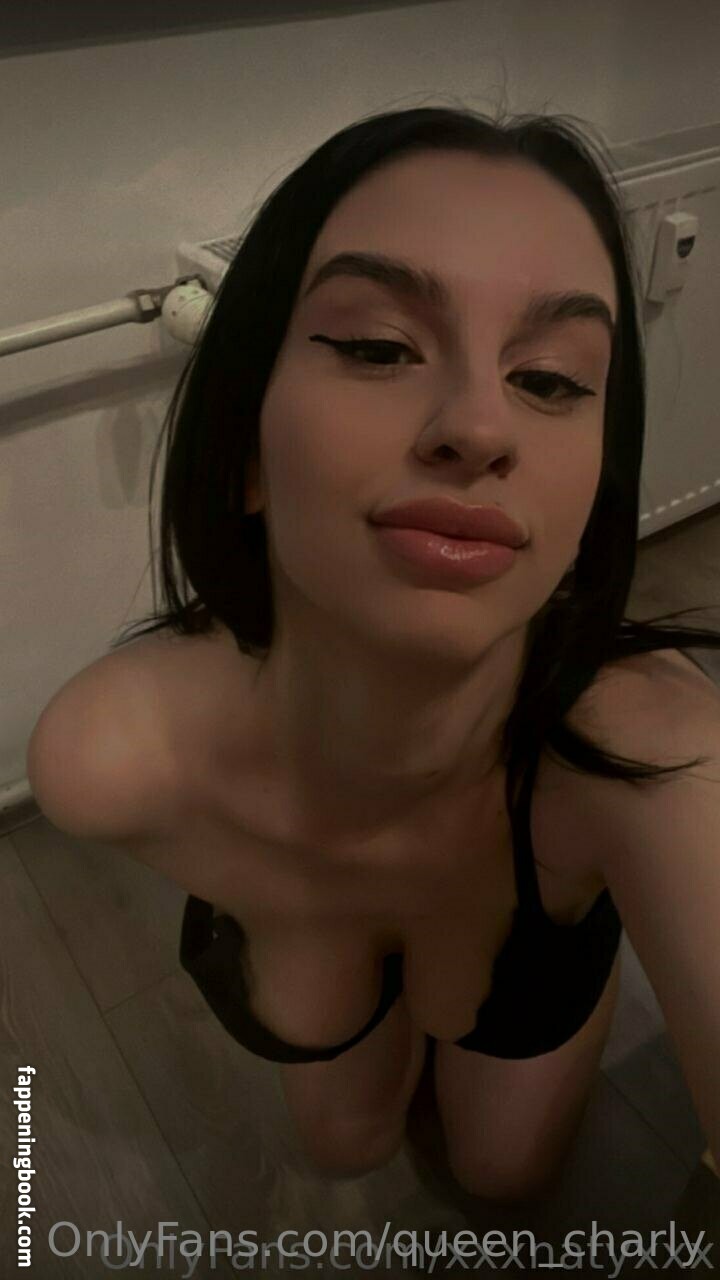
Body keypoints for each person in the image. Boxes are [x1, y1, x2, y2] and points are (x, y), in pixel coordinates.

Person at [27, 104, 720, 1206]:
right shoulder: (112, 760)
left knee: (500, 1171)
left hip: (535, 919)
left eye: (550, 379)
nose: (480, 428)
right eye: (379, 347)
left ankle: (570, 955)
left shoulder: (663, 761)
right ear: (247, 447)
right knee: (347, 1143)